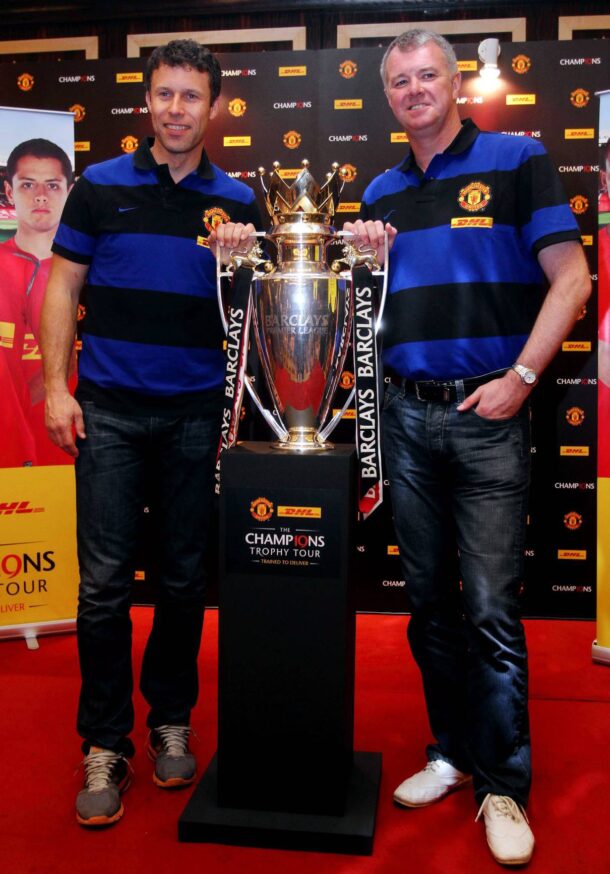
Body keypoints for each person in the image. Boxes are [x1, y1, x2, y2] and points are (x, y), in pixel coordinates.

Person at [345, 29, 591, 867]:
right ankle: (451, 752)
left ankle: (504, 784)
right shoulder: (379, 189)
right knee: (430, 607)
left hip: (490, 416)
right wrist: (366, 266)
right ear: (387, 96)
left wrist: (523, 375)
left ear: (455, 84)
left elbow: (573, 277)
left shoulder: (520, 159)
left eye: (427, 76)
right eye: (399, 81)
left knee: (489, 608)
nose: (414, 90)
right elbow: (371, 311)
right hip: (407, 421)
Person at [40, 39, 261, 828]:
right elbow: (63, 286)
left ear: (215, 107)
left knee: (180, 578)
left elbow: (259, 320)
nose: (176, 109)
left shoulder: (238, 199)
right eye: (164, 95)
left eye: (190, 97)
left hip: (198, 413)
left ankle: (170, 718)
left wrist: (240, 265)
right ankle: (104, 740)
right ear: (148, 104)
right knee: (101, 587)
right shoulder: (99, 185)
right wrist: (54, 387)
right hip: (107, 412)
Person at [0, 138, 73, 467]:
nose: (40, 195)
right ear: (10, 191)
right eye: (28, 184)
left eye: (52, 185)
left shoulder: (90, 270)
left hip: (72, 448)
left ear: (69, 190)